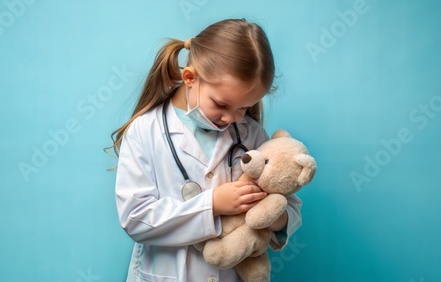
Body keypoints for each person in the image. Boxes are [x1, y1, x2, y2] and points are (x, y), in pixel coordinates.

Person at [111, 18, 302, 282]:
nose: (232, 118)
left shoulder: (252, 134)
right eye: (221, 104)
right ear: (190, 78)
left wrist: (275, 217)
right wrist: (212, 205)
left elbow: (287, 203)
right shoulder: (145, 130)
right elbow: (136, 219)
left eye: (243, 108)